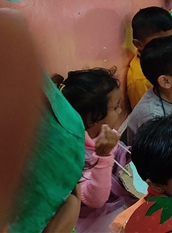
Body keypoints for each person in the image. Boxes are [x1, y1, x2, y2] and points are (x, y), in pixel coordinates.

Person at [53, 68, 136, 231]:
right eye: (115, 107)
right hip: (95, 216)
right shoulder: (74, 153)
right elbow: (95, 200)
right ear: (92, 118)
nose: (120, 111)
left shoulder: (102, 132)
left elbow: (120, 153)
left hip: (117, 195)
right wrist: (103, 155)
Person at [127, 7, 172, 109]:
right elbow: (145, 115)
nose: (169, 45)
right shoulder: (140, 81)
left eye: (171, 38)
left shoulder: (169, 57)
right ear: (138, 44)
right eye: (160, 41)